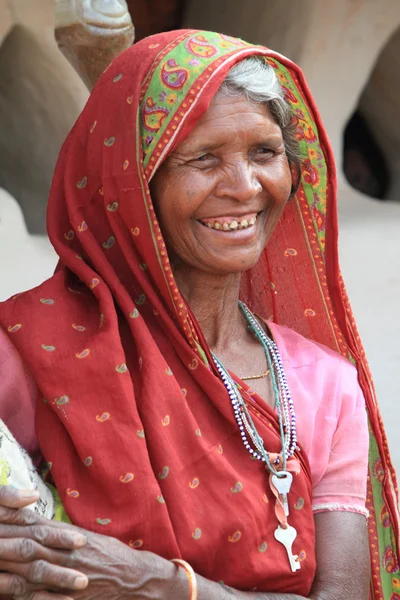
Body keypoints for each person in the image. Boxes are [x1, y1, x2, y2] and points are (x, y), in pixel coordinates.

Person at [0, 29, 398, 600]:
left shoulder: (323, 385)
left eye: (265, 152)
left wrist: (160, 584)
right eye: (203, 158)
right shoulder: (28, 349)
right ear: (132, 184)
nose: (244, 187)